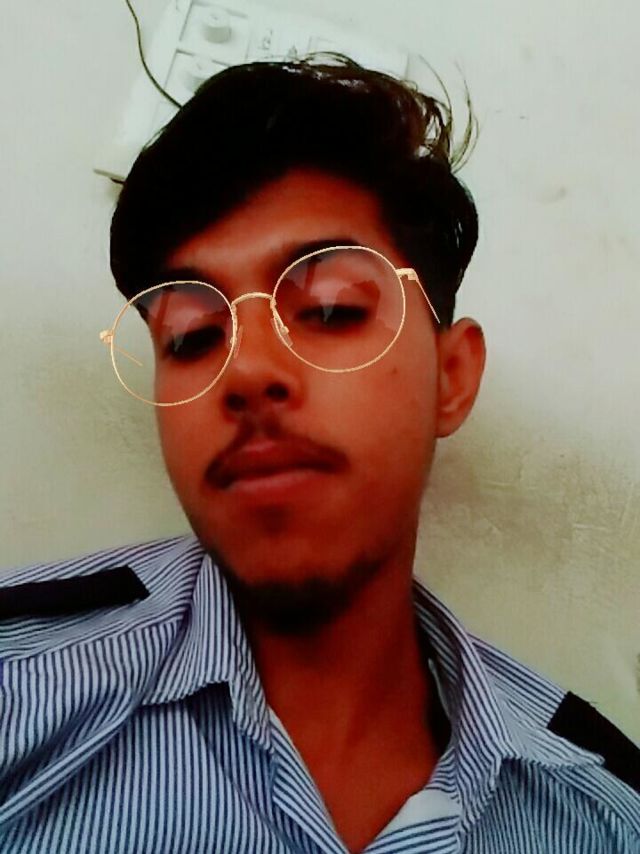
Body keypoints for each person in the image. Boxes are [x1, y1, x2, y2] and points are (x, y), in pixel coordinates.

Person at [0, 56, 638, 854]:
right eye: (191, 336)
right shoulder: (22, 692)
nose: (246, 369)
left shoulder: (602, 814)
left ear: (451, 377)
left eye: (332, 309)